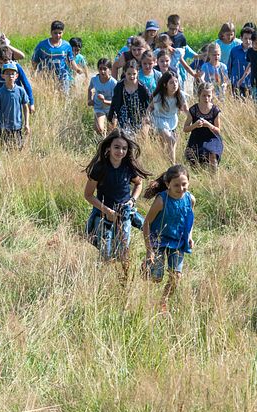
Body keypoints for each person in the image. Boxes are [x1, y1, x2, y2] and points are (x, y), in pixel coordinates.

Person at [84, 129, 151, 274]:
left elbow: (138, 184)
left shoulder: (128, 167)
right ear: (109, 147)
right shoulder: (100, 168)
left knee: (123, 252)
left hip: (124, 214)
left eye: (124, 148)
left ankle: (123, 281)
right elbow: (88, 195)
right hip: (103, 216)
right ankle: (102, 281)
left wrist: (132, 200)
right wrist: (106, 211)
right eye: (117, 147)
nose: (120, 151)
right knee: (106, 254)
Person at [142, 164, 195, 312]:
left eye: (184, 184)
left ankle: (163, 302)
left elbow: (190, 218)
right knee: (157, 278)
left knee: (176, 276)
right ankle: (146, 267)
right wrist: (149, 250)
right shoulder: (161, 201)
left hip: (177, 241)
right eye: (176, 185)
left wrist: (189, 236)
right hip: (158, 239)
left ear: (189, 183)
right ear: (168, 185)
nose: (181, 188)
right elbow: (146, 223)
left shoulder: (190, 199)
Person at [31, 20, 82, 91]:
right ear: (51, 32)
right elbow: (35, 61)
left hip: (62, 77)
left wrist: (77, 69)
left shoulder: (66, 45)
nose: (57, 35)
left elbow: (71, 60)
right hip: (46, 77)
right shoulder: (42, 45)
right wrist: (33, 74)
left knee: (64, 97)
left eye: (60, 33)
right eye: (55, 33)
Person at [149, 71, 188, 164]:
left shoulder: (180, 95)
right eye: (171, 82)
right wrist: (147, 117)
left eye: (176, 82)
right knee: (171, 141)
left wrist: (194, 119)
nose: (174, 84)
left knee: (166, 145)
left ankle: (164, 163)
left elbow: (186, 110)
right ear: (165, 84)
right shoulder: (159, 96)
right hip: (159, 120)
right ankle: (172, 165)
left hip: (172, 121)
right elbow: (150, 107)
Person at [184, 82, 223, 171]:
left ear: (212, 95)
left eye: (209, 96)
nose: (206, 98)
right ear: (199, 95)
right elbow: (185, 129)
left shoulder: (215, 110)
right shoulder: (193, 110)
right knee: (194, 162)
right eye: (204, 95)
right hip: (196, 137)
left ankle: (214, 178)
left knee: (212, 154)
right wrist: (195, 125)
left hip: (212, 138)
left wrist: (208, 125)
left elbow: (218, 131)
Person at [0, 62, 30, 150]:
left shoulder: (21, 91)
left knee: (18, 149)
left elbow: (25, 107)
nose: (10, 76)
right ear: (3, 76)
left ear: (16, 76)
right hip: (4, 127)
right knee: (5, 150)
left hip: (17, 126)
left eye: (13, 73)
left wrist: (27, 123)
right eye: (7, 73)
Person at [108, 60, 151, 136]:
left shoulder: (142, 87)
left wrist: (146, 117)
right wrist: (112, 117)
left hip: (138, 115)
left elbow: (148, 104)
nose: (131, 76)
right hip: (124, 116)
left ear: (138, 72)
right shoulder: (120, 86)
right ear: (124, 72)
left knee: (140, 137)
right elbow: (114, 103)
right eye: (129, 74)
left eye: (134, 74)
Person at [0, 46, 34, 111]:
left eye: (5, 63)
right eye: (1, 63)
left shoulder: (17, 68)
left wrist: (31, 103)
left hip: (15, 98)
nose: (3, 66)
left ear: (11, 60)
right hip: (1, 99)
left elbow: (26, 84)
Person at [87, 58, 117, 136]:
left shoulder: (113, 83)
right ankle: (101, 141)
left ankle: (108, 142)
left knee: (112, 132)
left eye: (105, 69)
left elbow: (115, 101)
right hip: (99, 107)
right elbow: (90, 88)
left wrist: (104, 101)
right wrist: (89, 99)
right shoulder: (94, 79)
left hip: (111, 109)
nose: (102, 71)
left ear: (110, 70)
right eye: (100, 69)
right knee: (99, 128)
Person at [228, 26, 252, 97]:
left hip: (249, 84)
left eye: (250, 39)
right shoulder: (234, 51)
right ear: (241, 38)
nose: (248, 41)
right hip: (236, 83)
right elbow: (229, 66)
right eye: (245, 38)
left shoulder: (254, 52)